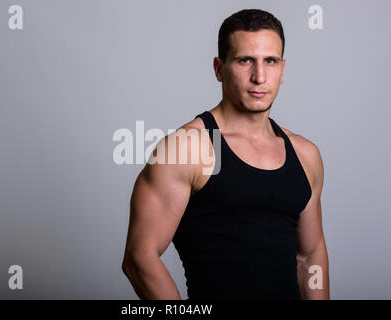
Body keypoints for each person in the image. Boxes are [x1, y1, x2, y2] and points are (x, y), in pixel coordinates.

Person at [122, 8, 329, 300]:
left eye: (270, 61)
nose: (259, 76)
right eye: (245, 61)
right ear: (219, 68)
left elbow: (309, 257)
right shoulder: (188, 148)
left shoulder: (305, 155)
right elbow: (139, 258)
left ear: (282, 70)